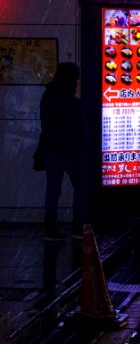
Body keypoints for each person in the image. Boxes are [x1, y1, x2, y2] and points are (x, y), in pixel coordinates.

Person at [39, 62, 90, 238]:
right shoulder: (72, 101)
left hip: (51, 149)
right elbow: (80, 128)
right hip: (71, 150)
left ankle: (50, 228)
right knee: (81, 185)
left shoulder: (48, 96)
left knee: (53, 188)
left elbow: (44, 123)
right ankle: (78, 226)